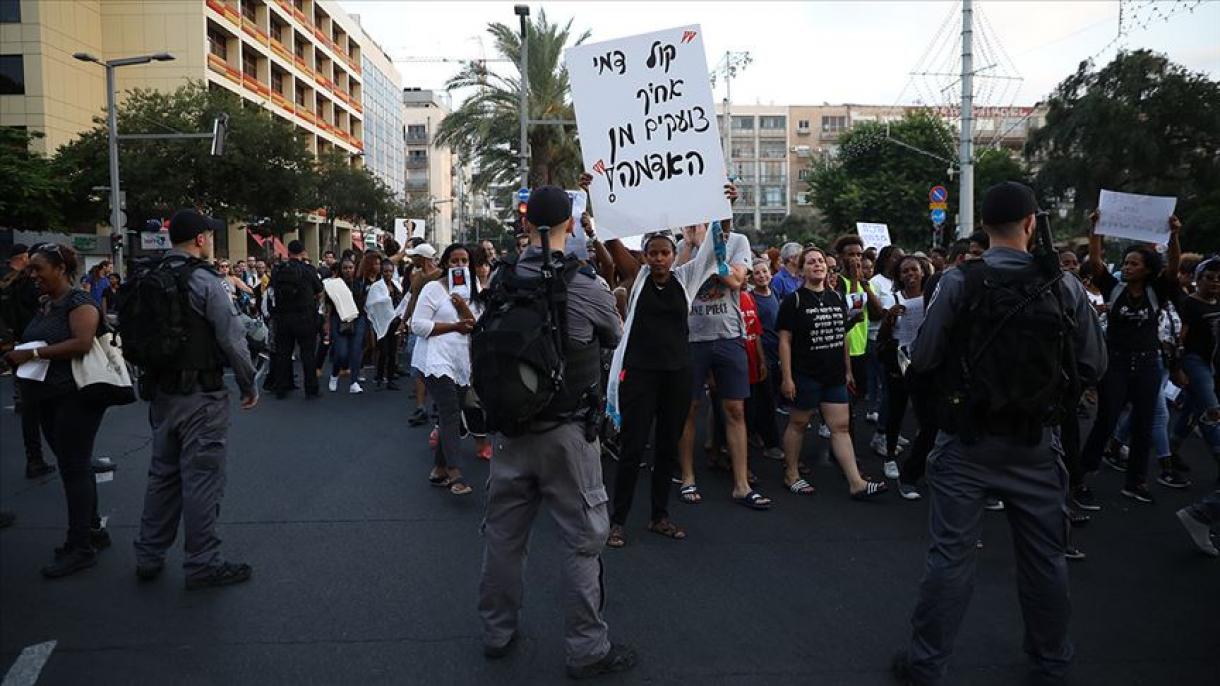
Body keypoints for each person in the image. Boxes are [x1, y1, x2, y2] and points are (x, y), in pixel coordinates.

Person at [893, 182, 1106, 686]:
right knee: (1045, 562)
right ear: (1032, 224)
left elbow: (923, 358)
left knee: (950, 557)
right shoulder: (1063, 285)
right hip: (1035, 443)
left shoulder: (958, 281)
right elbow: (1094, 363)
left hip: (965, 441)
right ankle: (1051, 662)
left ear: (983, 227)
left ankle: (925, 664)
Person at [478, 186, 634, 678]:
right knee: (582, 541)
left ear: (525, 221)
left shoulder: (504, 277)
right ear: (572, 219)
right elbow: (613, 331)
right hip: (567, 433)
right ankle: (587, 647)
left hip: (510, 430)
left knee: (503, 537)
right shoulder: (583, 284)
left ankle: (497, 631)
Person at [131, 210, 258, 589]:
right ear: (200, 239)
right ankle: (202, 563)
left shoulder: (149, 275)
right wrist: (249, 383)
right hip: (201, 395)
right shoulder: (205, 281)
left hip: (162, 392)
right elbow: (232, 337)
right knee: (201, 478)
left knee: (162, 476)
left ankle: (149, 555)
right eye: (210, 234)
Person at [603, 189, 735, 548]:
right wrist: (593, 194)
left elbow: (714, 244)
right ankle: (618, 521)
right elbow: (612, 239)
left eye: (665, 253)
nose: (660, 259)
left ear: (675, 256)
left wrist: (726, 206)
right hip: (640, 375)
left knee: (667, 448)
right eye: (653, 253)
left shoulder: (687, 279)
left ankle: (659, 516)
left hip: (677, 374)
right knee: (632, 448)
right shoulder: (637, 277)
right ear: (644, 256)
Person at [2, 244, 111, 578]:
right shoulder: (46, 303)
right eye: (30, 269)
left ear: (61, 268)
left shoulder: (80, 302)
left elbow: (80, 343)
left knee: (74, 468)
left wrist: (33, 356)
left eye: (38, 269)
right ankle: (90, 531)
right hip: (48, 398)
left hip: (76, 397)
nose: (33, 275)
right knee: (73, 466)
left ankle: (80, 547)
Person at [1079, 210, 1184, 503]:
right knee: (1107, 419)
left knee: (1144, 422)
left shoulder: (1156, 291)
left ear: (1148, 269)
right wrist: (1095, 229)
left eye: (1134, 264)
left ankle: (1136, 481)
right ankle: (1081, 476)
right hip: (1116, 362)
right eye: (1125, 263)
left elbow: (1174, 267)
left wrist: (1174, 235)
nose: (1127, 267)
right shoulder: (1115, 288)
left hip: (1148, 363)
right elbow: (1097, 261)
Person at [777, 246, 888, 500]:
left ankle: (856, 482)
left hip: (834, 375)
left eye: (820, 262)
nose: (817, 265)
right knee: (799, 423)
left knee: (840, 427)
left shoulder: (836, 298)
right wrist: (787, 377)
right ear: (802, 268)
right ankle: (791, 474)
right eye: (811, 262)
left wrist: (847, 369)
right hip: (805, 374)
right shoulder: (793, 301)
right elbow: (785, 341)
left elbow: (842, 336)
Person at [676, 204, 768, 511]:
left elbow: (736, 281)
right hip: (691, 339)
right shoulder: (683, 243)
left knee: (735, 410)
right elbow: (677, 285)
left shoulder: (737, 242)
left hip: (728, 336)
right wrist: (689, 245)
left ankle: (741, 484)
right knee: (688, 409)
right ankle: (688, 477)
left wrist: (711, 250)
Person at [410, 243, 479, 495]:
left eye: (464, 261)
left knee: (453, 411)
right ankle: (455, 472)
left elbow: (475, 324)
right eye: (454, 261)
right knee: (450, 412)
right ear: (445, 264)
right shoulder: (433, 288)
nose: (459, 266)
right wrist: (453, 327)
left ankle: (438, 469)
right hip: (435, 360)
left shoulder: (474, 290)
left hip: (460, 361)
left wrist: (462, 306)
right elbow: (417, 325)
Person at [877, 255, 935, 499]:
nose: (910, 274)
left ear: (923, 272)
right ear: (898, 276)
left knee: (927, 416)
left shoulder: (933, 298)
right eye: (904, 271)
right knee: (896, 409)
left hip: (925, 361)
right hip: (899, 363)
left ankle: (924, 462)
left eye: (914, 269)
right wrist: (890, 318)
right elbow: (883, 337)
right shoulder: (895, 299)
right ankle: (890, 455)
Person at [0, 244, 56, 480]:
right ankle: (64, 455)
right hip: (33, 344)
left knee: (31, 406)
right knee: (54, 402)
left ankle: (35, 458)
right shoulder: (29, 285)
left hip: (15, 344)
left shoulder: (9, 281)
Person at [1170, 256, 1220, 474]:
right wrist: (1177, 368)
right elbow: (1180, 337)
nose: (1215, 282)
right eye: (1209, 278)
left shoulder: (1218, 301)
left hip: (1212, 362)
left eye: (1219, 279)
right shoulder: (1189, 303)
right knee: (1212, 411)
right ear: (1198, 280)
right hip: (1193, 360)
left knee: (1191, 409)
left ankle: (1170, 451)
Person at [269, 240, 324, 399]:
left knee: (283, 353)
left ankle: (281, 387)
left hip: (283, 317)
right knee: (308, 354)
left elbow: (272, 291)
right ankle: (311, 389)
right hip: (305, 317)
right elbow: (319, 291)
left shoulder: (278, 270)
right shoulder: (308, 270)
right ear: (303, 252)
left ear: (288, 252)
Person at [747, 258, 783, 460]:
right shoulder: (751, 297)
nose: (762, 276)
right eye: (757, 273)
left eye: (764, 272)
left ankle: (757, 432)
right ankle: (771, 443)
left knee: (772, 398)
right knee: (764, 400)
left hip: (778, 353)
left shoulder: (775, 293)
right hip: (761, 355)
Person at [403, 243, 442, 426]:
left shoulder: (441, 276)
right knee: (419, 367)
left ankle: (436, 404)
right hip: (417, 327)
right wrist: (404, 320)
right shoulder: (416, 276)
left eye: (415, 257)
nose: (412, 260)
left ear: (424, 258)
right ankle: (421, 408)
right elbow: (412, 299)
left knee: (435, 367)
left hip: (435, 327)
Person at [322, 259, 368, 394]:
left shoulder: (359, 284)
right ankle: (335, 374)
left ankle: (354, 382)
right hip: (339, 319)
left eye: (350, 267)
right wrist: (327, 324)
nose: (348, 270)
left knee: (356, 351)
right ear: (341, 270)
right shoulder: (334, 285)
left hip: (357, 319)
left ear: (354, 269)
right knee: (341, 353)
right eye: (345, 268)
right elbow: (328, 306)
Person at [369, 259, 405, 390]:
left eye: (390, 271)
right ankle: (379, 377)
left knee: (392, 352)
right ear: (382, 272)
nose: (388, 274)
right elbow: (371, 303)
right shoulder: (376, 287)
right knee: (383, 351)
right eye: (385, 271)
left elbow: (401, 302)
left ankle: (390, 379)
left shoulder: (396, 285)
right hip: (382, 322)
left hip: (395, 322)